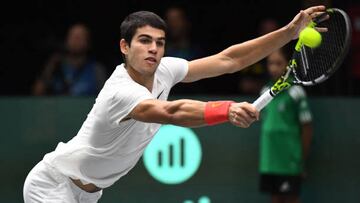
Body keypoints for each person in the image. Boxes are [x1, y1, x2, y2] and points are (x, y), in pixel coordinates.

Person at [23, 6, 325, 202]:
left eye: (159, 42)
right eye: (144, 41)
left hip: (87, 192)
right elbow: (171, 111)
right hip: (52, 185)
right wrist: (227, 108)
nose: (153, 49)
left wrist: (289, 33)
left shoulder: (165, 69)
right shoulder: (120, 92)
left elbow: (229, 59)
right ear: (124, 47)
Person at [258, 47, 313, 203]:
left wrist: (300, 161)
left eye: (278, 63)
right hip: (269, 161)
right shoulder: (264, 91)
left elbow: (307, 129)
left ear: (288, 65)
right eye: (270, 63)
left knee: (291, 199)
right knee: (275, 199)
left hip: (289, 161)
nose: (273, 68)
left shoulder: (296, 92)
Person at [32, 23, 107, 96]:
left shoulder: (96, 70)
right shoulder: (56, 66)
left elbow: (106, 99)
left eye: (80, 37)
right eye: (72, 37)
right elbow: (37, 94)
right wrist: (50, 67)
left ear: (88, 43)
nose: (75, 40)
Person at [237, 18, 280, 95]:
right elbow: (245, 85)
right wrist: (263, 87)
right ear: (261, 33)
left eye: (273, 32)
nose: (270, 36)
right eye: (267, 32)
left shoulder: (284, 54)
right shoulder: (250, 55)